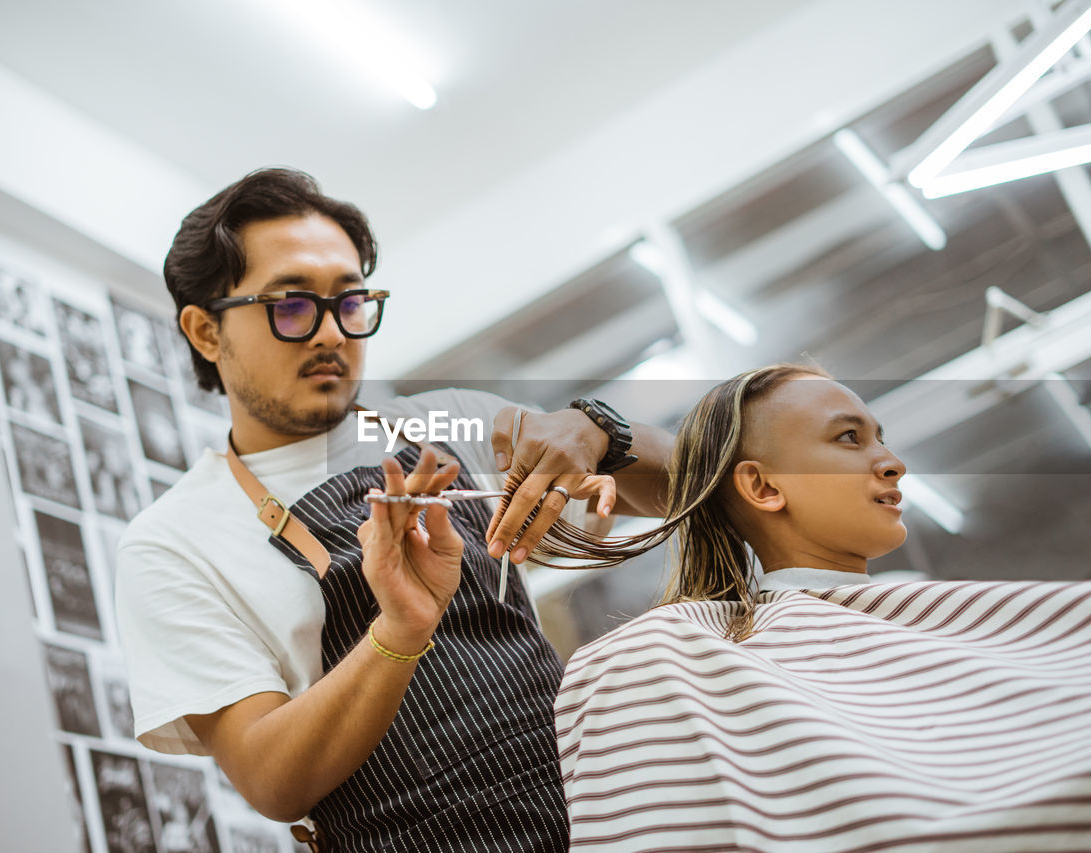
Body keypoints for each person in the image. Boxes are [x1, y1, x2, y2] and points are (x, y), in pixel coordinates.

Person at [113, 167, 672, 851]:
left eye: (350, 303)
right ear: (205, 331)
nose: (331, 334)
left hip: (603, 817)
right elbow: (270, 778)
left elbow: (682, 487)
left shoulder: (452, 420)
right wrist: (399, 630)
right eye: (291, 306)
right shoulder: (173, 542)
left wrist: (600, 432)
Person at [551, 364, 1091, 852]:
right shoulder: (680, 657)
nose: (893, 462)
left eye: (881, 438)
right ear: (763, 487)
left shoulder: (923, 618)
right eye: (849, 438)